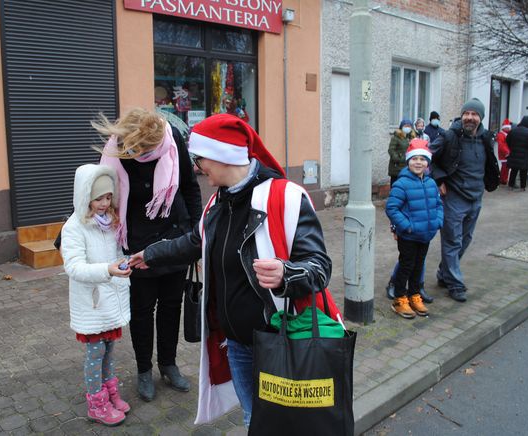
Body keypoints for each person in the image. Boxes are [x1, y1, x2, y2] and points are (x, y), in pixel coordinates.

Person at [128, 114, 336, 428]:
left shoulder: (286, 198)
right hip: (235, 343)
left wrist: (285, 274)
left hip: (278, 342)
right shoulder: (216, 204)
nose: (196, 167)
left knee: (283, 425)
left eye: (199, 158)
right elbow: (195, 241)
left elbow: (319, 269)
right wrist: (151, 255)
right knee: (254, 418)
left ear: (222, 154)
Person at [93, 108, 202, 401]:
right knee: (142, 310)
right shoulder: (118, 149)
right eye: (138, 148)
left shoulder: (173, 139)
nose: (142, 153)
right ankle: (144, 370)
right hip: (138, 241)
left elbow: (190, 188)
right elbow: (99, 194)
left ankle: (168, 364)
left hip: (175, 236)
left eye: (147, 149)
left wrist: (196, 236)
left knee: (171, 306)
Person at [61, 164, 132, 426]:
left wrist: (122, 263)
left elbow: (113, 255)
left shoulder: (108, 224)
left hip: (110, 300)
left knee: (109, 351)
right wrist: (108, 270)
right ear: (85, 196)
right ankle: (96, 403)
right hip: (92, 303)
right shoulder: (74, 227)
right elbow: (74, 267)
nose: (104, 203)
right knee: (95, 354)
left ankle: (111, 394)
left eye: (108, 197)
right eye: (99, 198)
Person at [429, 98, 499, 302]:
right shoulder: (450, 136)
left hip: (476, 197)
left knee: (465, 240)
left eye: (474, 114)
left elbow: (489, 163)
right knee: (452, 241)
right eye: (466, 113)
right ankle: (455, 284)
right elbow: (427, 157)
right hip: (453, 197)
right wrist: (439, 179)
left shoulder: (486, 138)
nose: (469, 117)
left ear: (480, 118)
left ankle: (445, 273)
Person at [386, 140, 443, 318]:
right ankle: (400, 299)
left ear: (427, 163)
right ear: (408, 161)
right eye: (414, 158)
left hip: (425, 234)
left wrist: (437, 222)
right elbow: (392, 208)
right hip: (409, 236)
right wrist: (407, 226)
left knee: (419, 266)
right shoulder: (402, 184)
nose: (418, 162)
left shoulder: (431, 183)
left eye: (422, 159)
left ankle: (414, 295)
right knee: (407, 266)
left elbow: (439, 205)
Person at [506, 115, 528, 192]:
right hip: (526, 155)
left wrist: (512, 148)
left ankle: (510, 185)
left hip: (514, 153)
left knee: (513, 170)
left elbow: (508, 140)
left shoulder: (514, 131)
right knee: (523, 172)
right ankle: (522, 187)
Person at [388, 119, 416, 186]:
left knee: (406, 185)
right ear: (402, 127)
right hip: (397, 167)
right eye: (406, 126)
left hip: (408, 166)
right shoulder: (396, 137)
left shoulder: (412, 137)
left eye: (409, 126)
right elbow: (391, 150)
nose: (407, 128)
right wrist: (400, 158)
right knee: (396, 185)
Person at [495, 118, 511, 185]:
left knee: (506, 168)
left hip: (506, 153)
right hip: (504, 154)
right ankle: (503, 179)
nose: (509, 129)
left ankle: (504, 179)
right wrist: (507, 152)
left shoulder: (505, 134)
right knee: (505, 168)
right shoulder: (501, 135)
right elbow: (501, 145)